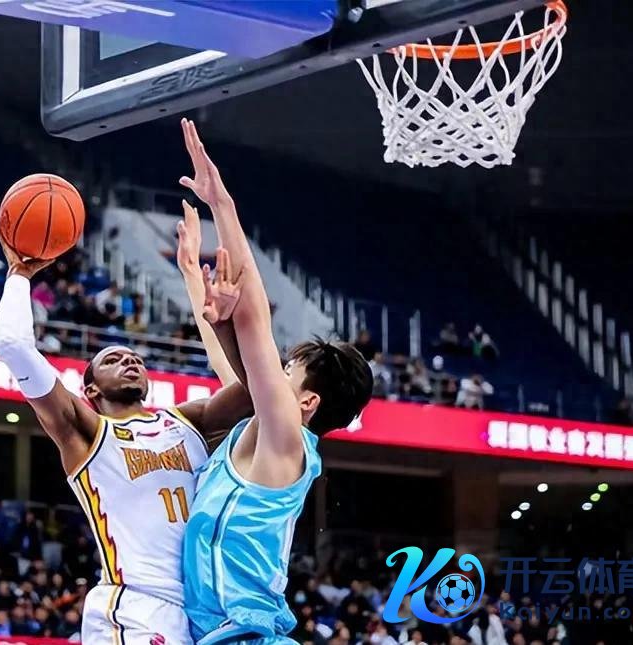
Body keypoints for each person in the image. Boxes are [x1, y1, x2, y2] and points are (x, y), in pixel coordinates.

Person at [0, 207, 252, 644]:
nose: (130, 361)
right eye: (113, 359)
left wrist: (226, 324)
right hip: (134, 605)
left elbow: (258, 390)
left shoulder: (187, 421)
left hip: (199, 612)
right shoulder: (86, 431)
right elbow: (13, 344)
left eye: (135, 359)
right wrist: (19, 274)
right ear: (90, 389)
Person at [176, 119, 373, 645]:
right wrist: (193, 275)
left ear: (308, 401)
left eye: (288, 371)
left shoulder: (288, 441)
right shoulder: (256, 427)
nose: (273, 371)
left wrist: (222, 205)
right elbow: (225, 353)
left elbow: (252, 322)